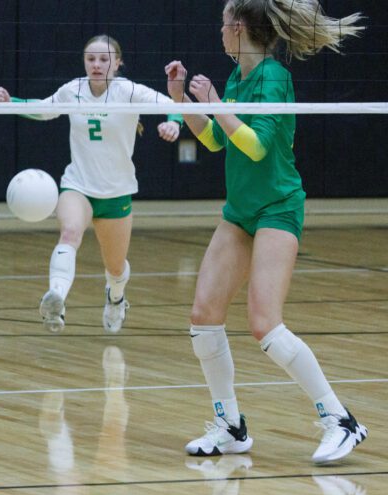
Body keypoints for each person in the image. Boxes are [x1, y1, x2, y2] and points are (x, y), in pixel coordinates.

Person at [164, 0, 366, 463]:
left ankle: (341, 420)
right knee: (203, 315)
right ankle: (230, 425)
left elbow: (255, 148)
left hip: (277, 207)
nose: (218, 32)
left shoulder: (274, 77)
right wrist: (182, 100)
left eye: (221, 24)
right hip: (241, 211)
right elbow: (217, 140)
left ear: (237, 27)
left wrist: (215, 104)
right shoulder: (236, 78)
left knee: (264, 324)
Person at [0, 34, 182, 333]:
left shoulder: (128, 91)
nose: (97, 65)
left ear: (117, 63)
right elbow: (44, 108)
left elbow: (172, 104)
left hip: (116, 191)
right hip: (77, 185)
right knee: (69, 233)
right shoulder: (73, 90)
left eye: (104, 59)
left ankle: (116, 297)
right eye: (91, 59)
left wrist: (173, 122)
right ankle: (57, 299)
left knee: (116, 267)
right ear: (84, 61)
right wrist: (10, 102)